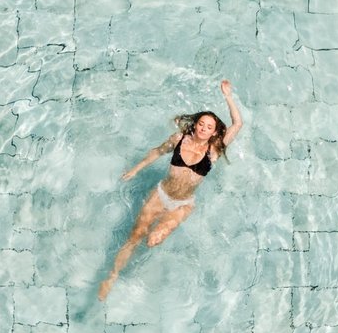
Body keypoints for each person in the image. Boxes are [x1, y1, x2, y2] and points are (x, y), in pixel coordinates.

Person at [98, 79, 243, 300]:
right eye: (201, 124)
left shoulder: (214, 150)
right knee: (135, 236)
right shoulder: (178, 139)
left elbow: (237, 124)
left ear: (214, 133)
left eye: (209, 127)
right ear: (195, 124)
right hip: (160, 195)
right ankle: (112, 276)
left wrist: (228, 97)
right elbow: (157, 151)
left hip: (183, 205)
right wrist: (136, 169)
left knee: (153, 239)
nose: (204, 129)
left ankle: (140, 274)